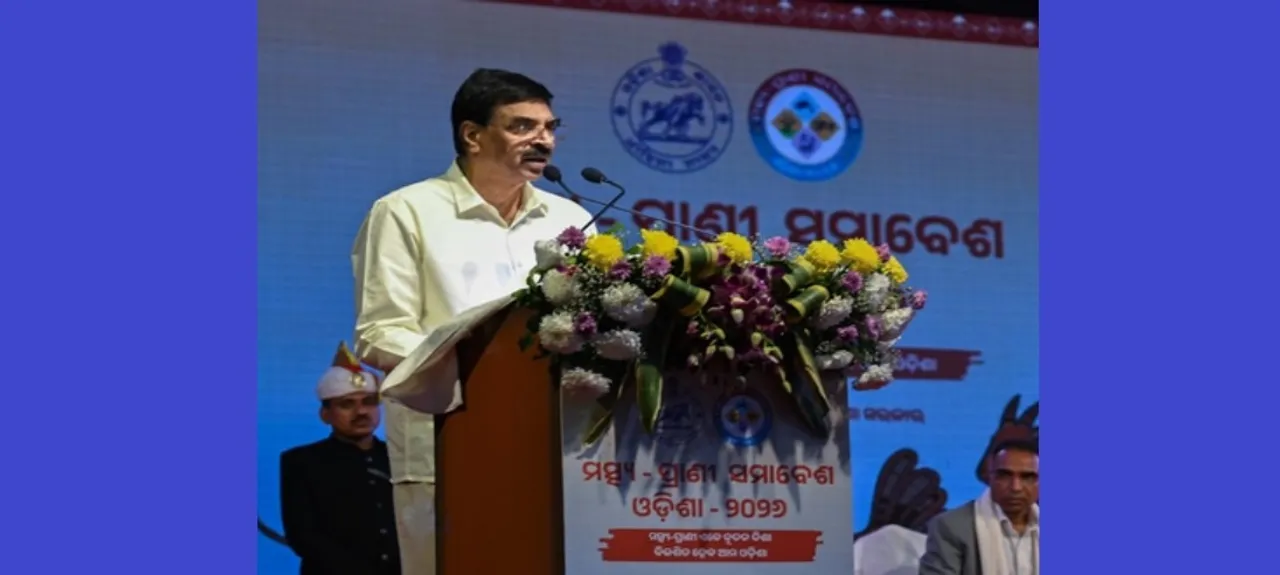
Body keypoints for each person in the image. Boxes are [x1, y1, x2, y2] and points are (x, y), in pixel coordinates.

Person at [350, 68, 595, 575]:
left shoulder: (567, 218)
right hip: (450, 436)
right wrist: (472, 371)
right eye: (523, 126)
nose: (543, 140)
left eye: (549, 127)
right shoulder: (406, 211)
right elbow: (379, 332)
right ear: (472, 135)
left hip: (555, 443)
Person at [279, 342, 400, 575]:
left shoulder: (399, 459)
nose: (361, 412)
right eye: (347, 404)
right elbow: (303, 536)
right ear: (325, 415)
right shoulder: (302, 462)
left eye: (369, 402)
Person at [918, 439, 1040, 575]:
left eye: (1028, 477)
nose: (1015, 487)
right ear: (989, 476)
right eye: (1004, 476)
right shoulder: (951, 527)